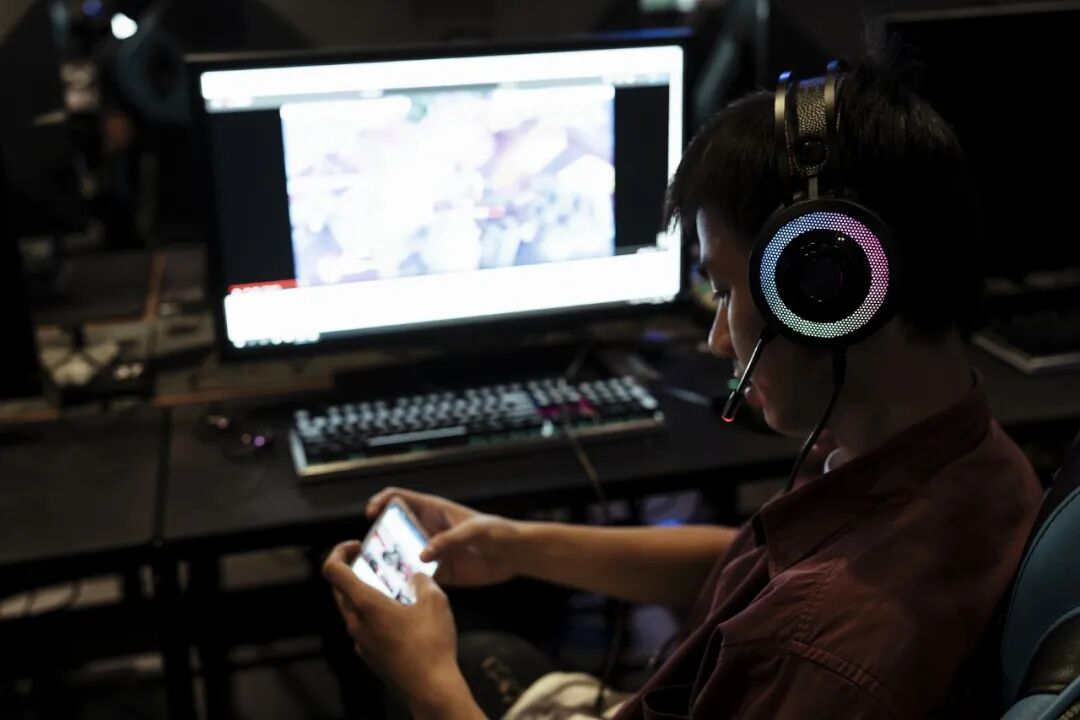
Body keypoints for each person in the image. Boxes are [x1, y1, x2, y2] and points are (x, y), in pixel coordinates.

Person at [321, 45, 1044, 719]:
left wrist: (427, 681)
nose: (717, 337)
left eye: (726, 291)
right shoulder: (958, 454)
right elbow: (746, 562)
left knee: (430, 658)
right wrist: (514, 544)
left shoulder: (818, 649)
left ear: (825, 286)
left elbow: (790, 612)